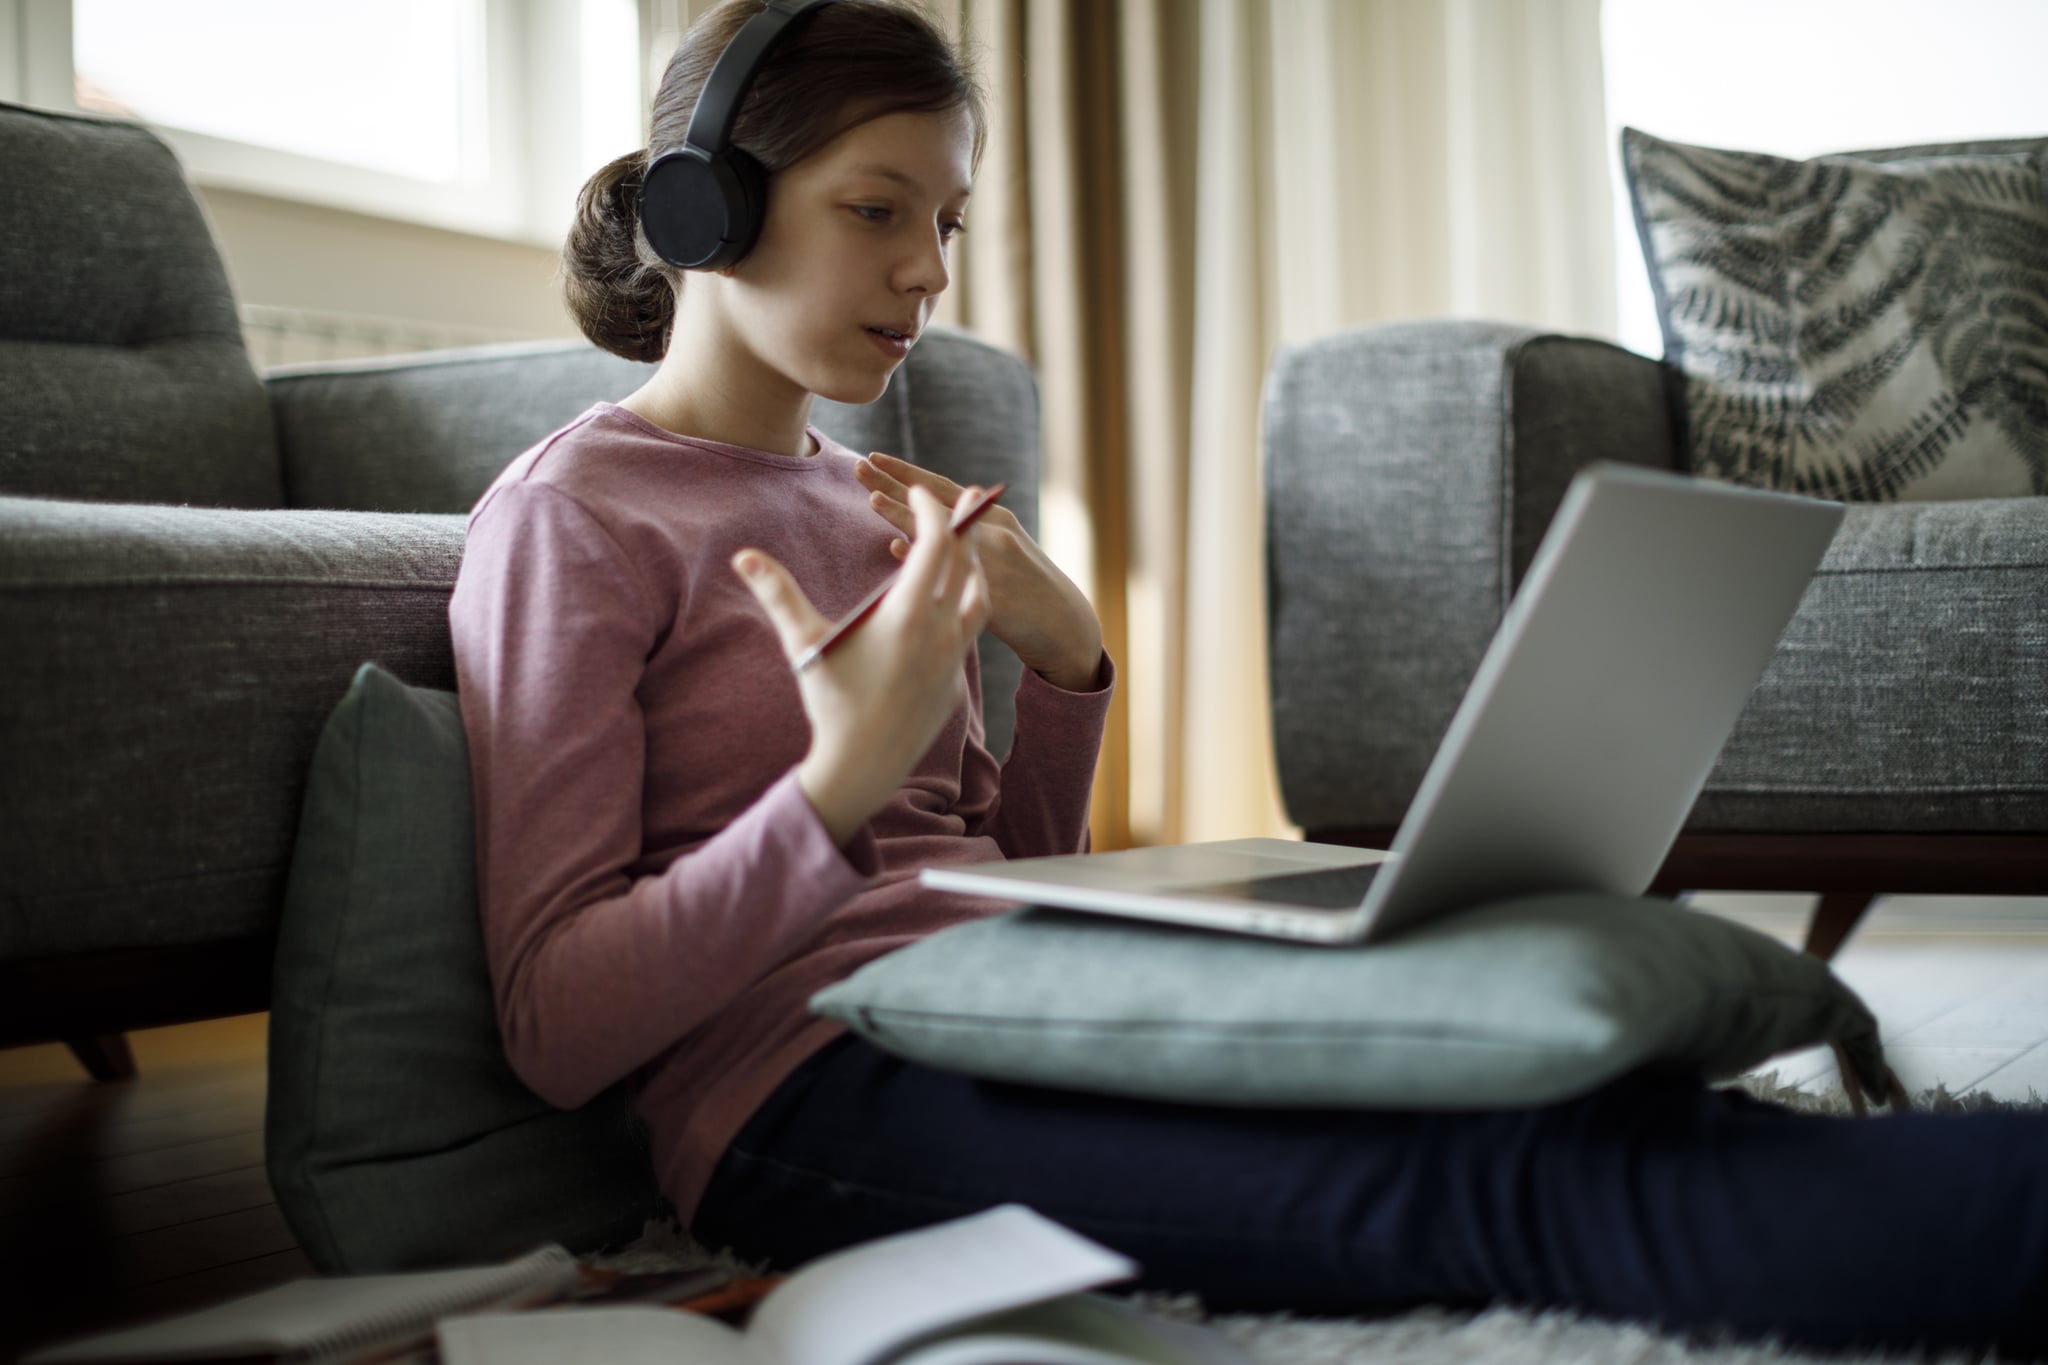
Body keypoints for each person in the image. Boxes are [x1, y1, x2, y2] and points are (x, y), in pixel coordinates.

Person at [449, 1, 2048, 1357]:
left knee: (1573, 1092)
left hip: (1016, 1004)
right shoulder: (572, 520)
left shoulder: (863, 497)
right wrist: (825, 797)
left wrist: (1068, 667)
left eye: (946, 223)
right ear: (702, 212)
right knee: (1493, 1182)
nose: (930, 271)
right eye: (881, 210)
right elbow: (555, 1019)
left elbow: (995, 887)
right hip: (799, 1096)